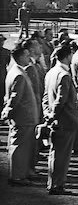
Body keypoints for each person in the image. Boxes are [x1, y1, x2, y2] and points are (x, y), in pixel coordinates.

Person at [43, 43, 78, 195]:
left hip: (56, 120)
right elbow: (61, 100)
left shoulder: (51, 72)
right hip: (65, 121)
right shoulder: (64, 75)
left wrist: (47, 114)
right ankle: (57, 184)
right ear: (67, 56)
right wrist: (52, 115)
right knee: (62, 156)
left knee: (55, 153)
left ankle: (53, 183)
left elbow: (46, 97)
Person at [4, 42, 40, 186]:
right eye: (26, 55)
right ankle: (17, 176)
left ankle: (21, 173)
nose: (28, 57)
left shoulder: (15, 71)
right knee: (20, 147)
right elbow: (15, 98)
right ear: (20, 57)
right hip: (23, 117)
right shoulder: (18, 74)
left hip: (24, 117)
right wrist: (8, 113)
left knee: (23, 147)